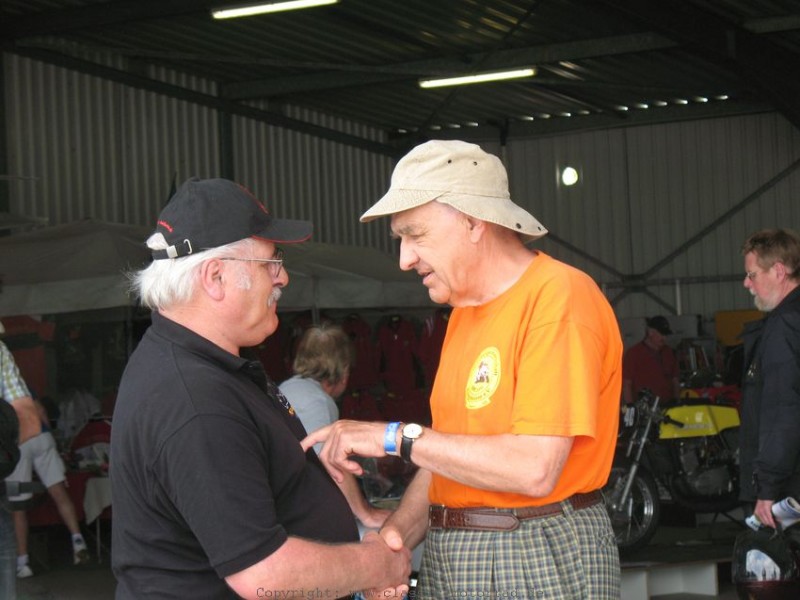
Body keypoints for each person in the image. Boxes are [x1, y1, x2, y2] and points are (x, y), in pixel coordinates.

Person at [303, 139, 623, 599]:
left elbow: (535, 469)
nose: (405, 259)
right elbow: (448, 460)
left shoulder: (558, 298)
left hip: (532, 546)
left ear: (473, 221)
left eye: (416, 234)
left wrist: (395, 437)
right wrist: (391, 546)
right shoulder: (464, 314)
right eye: (400, 240)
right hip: (457, 549)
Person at [110, 177, 410, 599]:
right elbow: (262, 575)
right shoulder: (195, 400)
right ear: (215, 277)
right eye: (271, 261)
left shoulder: (201, 364)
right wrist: (377, 565)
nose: (282, 277)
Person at [279, 323, 391, 529]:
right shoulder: (317, 401)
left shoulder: (284, 389)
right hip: (297, 518)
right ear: (344, 370)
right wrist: (366, 513)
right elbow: (331, 461)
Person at [1, 340, 89, 579]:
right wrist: (50, 436)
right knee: (58, 492)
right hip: (40, 436)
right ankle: (78, 541)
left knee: (18, 507)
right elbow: (39, 411)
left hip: (14, 443)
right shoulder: (23, 385)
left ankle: (23, 562)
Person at [738, 228, 800, 530]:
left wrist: (767, 489)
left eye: (752, 275)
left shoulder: (784, 326)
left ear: (778, 271)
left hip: (791, 488)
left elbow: (783, 409)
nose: (746, 283)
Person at [621, 315, 681, 405]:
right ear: (650, 332)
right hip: (644, 409)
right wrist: (630, 407)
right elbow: (627, 384)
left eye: (666, 335)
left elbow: (675, 380)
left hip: (668, 406)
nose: (664, 338)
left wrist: (677, 400)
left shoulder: (669, 352)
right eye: (661, 334)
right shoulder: (634, 354)